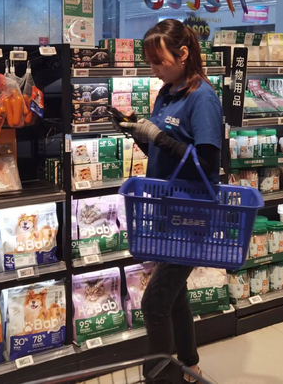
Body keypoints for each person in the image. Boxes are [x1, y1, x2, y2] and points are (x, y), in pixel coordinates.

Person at [115, 19, 223, 383]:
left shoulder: (202, 98)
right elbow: (162, 154)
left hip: (192, 213)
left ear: (183, 53)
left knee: (154, 302)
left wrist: (159, 137)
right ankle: (190, 365)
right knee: (175, 296)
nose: (153, 69)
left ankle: (160, 379)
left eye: (158, 61)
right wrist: (138, 133)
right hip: (166, 209)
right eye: (149, 62)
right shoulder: (166, 92)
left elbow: (206, 165)